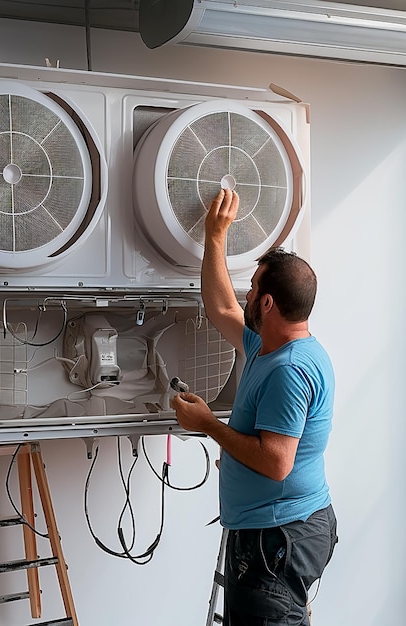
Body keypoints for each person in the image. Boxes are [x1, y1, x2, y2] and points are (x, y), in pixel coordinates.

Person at [171, 188, 338, 626]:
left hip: (277, 539)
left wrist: (207, 423)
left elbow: (276, 462)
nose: (245, 296)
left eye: (253, 289)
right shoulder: (269, 346)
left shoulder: (289, 369)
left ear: (266, 303)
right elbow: (221, 305)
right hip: (281, 532)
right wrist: (215, 236)